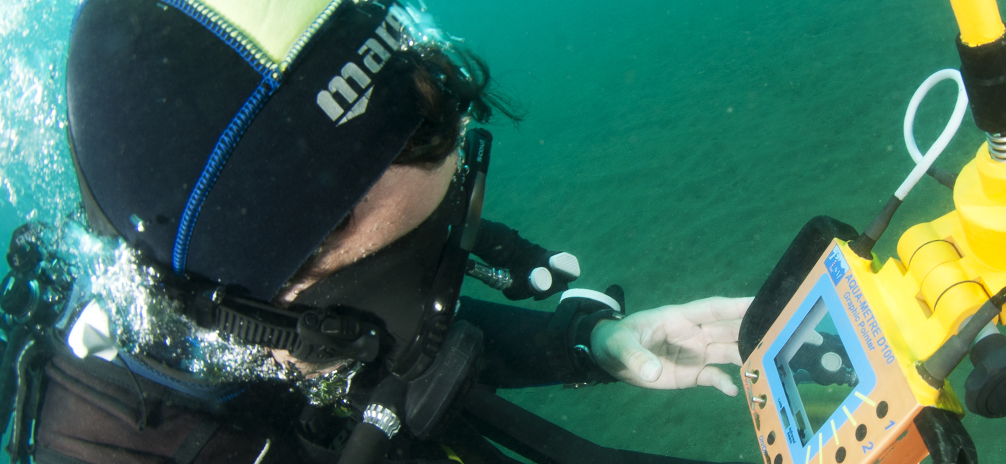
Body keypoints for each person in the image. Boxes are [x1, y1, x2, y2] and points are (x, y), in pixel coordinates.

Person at [1, 0, 751, 462]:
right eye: (401, 280)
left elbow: (396, 348)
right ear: (252, 305)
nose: (441, 306)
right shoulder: (131, 449)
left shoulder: (296, 328)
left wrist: (583, 344)